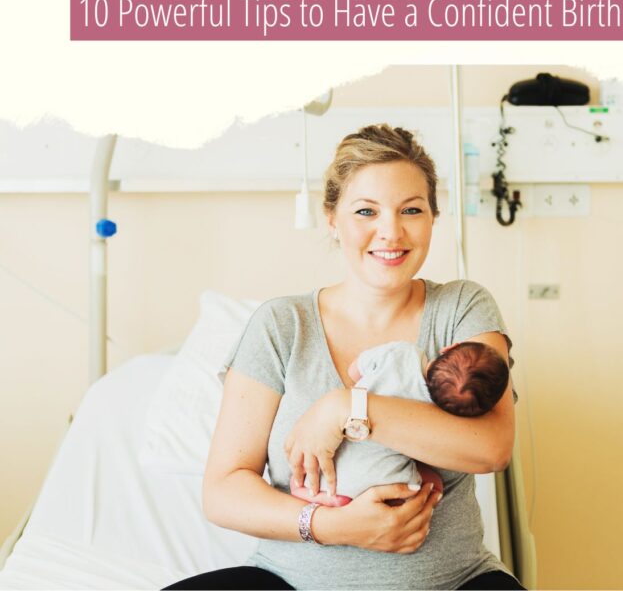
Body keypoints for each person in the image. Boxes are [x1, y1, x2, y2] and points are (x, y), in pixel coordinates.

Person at [167, 124, 525, 591]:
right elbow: (223, 491)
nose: (391, 231)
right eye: (366, 211)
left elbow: (491, 447)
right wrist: (332, 526)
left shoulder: (462, 309)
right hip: (291, 582)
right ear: (332, 218)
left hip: (451, 582)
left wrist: (348, 409)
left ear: (433, 217)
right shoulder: (281, 325)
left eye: (411, 210)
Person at [289, 339, 510, 506]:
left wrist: (366, 387)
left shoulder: (403, 353)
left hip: (331, 465)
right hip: (375, 482)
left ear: (449, 348)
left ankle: (304, 490)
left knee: (324, 476)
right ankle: (339, 502)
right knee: (430, 484)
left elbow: (354, 370)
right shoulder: (435, 415)